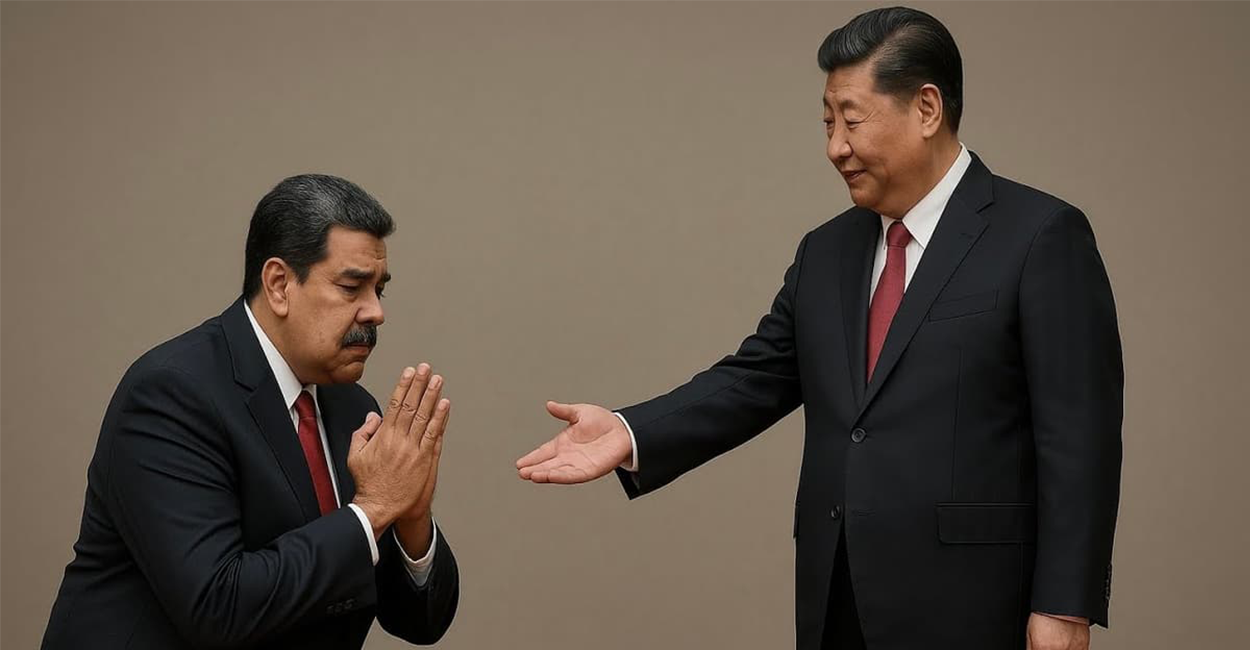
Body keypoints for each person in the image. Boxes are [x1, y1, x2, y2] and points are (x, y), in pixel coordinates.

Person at [517, 7, 1122, 649]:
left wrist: (1065, 605)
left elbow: (1079, 436)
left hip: (977, 605)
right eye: (827, 123)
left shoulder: (1039, 236)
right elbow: (756, 377)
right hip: (838, 599)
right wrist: (631, 430)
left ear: (927, 108)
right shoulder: (826, 251)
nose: (835, 147)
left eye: (851, 121)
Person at [43, 174, 459, 649]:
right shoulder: (171, 394)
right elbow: (217, 607)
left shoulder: (351, 406)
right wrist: (375, 508)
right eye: (351, 287)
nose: (375, 312)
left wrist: (411, 515)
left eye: (378, 290)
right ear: (279, 284)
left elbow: (420, 623)